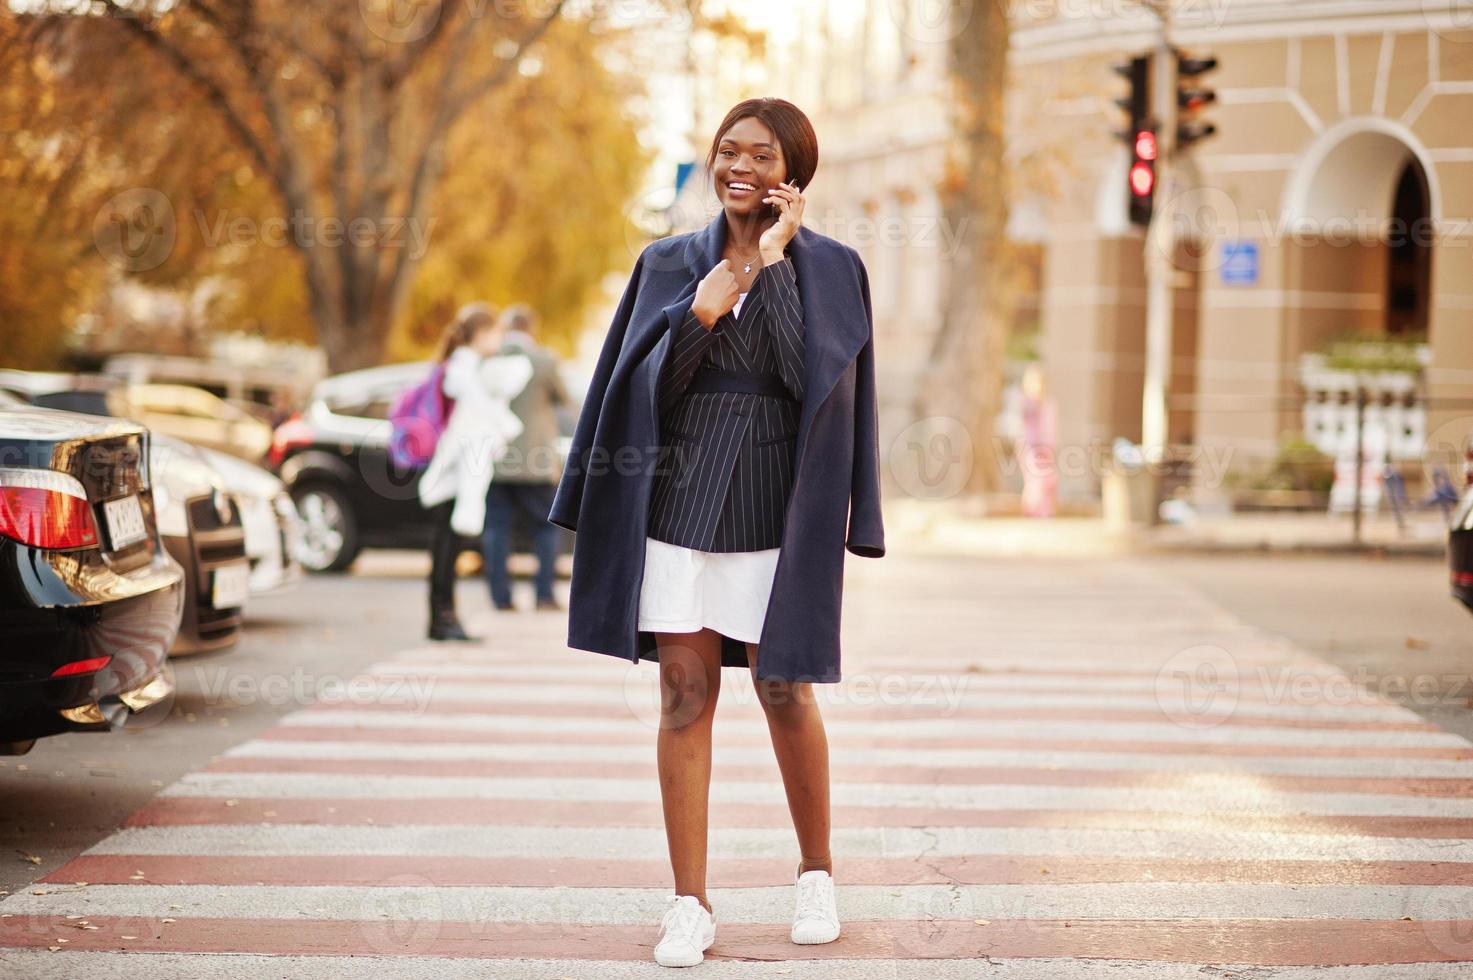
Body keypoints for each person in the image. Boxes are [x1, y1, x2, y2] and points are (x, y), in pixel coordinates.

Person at [548, 97, 885, 968]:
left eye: (763, 156)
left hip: (778, 511)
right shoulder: (665, 263)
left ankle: (815, 874)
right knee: (683, 698)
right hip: (675, 507)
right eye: (728, 151)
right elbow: (643, 395)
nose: (741, 167)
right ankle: (689, 902)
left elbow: (806, 382)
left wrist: (767, 265)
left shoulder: (832, 269)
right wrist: (698, 310)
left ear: (793, 174)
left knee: (784, 692)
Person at [418, 303, 533, 641]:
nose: (499, 339)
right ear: (481, 334)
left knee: (446, 546)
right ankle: (443, 619)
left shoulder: (466, 365)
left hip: (451, 469)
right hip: (452, 470)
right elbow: (475, 410)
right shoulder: (463, 367)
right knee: (446, 547)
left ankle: (443, 618)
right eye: (496, 332)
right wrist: (507, 424)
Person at [481, 304, 570, 612]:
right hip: (536, 460)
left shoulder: (488, 360)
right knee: (545, 529)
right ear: (531, 329)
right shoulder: (544, 361)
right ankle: (543, 595)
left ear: (505, 330)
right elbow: (564, 399)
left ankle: (500, 597)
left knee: (496, 529)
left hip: (495, 458)